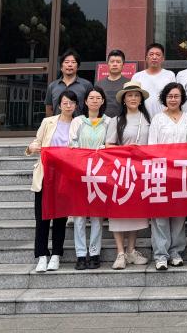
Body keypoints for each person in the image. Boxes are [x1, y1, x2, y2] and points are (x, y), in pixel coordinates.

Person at [26, 90, 77, 272]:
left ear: (76, 105)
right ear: (59, 105)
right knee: (42, 218)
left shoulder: (78, 124)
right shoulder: (48, 122)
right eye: (65, 103)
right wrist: (31, 148)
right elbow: (37, 141)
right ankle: (41, 255)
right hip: (45, 174)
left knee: (60, 218)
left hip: (65, 176)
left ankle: (56, 255)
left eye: (71, 103)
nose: (68, 106)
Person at [106, 81, 152, 270]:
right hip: (121, 171)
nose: (133, 98)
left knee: (136, 213)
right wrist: (126, 149)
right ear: (123, 100)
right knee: (118, 212)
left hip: (141, 172)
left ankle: (131, 250)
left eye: (136, 95)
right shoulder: (116, 121)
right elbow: (108, 145)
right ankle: (120, 253)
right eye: (130, 95)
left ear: (141, 99)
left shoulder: (148, 119)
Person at [148, 82, 187, 270]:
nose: (173, 99)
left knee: (179, 215)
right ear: (164, 98)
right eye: (170, 96)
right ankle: (161, 255)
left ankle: (175, 252)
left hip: (182, 173)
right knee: (160, 215)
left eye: (176, 96)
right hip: (161, 171)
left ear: (182, 98)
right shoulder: (158, 119)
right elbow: (152, 146)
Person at [69, 85, 109, 269]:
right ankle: (80, 254)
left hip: (100, 174)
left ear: (103, 101)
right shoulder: (77, 121)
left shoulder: (108, 121)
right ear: (85, 101)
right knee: (79, 216)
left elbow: (110, 145)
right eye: (91, 98)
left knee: (96, 216)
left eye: (98, 98)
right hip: (80, 172)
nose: (94, 101)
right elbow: (72, 144)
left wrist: (101, 151)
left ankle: (94, 253)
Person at [45, 49, 93, 117]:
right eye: (66, 62)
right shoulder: (52, 86)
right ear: (61, 67)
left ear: (77, 67)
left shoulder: (86, 85)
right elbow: (49, 108)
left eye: (73, 62)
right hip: (57, 123)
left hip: (79, 123)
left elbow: (91, 107)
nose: (70, 65)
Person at [134, 43, 175, 117]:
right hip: (142, 118)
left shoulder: (169, 75)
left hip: (164, 117)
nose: (154, 57)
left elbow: (173, 96)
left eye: (158, 54)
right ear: (146, 58)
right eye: (151, 54)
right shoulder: (137, 76)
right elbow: (132, 97)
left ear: (163, 58)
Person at [96, 49, 128, 118]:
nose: (115, 64)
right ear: (107, 64)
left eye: (118, 62)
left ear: (123, 65)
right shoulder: (99, 84)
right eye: (112, 61)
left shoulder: (128, 84)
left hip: (123, 120)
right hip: (102, 121)